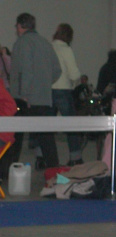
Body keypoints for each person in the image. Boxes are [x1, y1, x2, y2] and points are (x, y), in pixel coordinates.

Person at [10, 12, 62, 170]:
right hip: (44, 98)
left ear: (19, 26)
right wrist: (44, 84)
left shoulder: (22, 43)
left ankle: (8, 169)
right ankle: (54, 170)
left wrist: (24, 94)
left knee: (14, 135)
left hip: (26, 99)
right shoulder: (46, 43)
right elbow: (57, 70)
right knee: (46, 137)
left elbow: (25, 70)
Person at [51, 23, 83, 166]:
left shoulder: (49, 47)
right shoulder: (66, 49)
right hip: (63, 90)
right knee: (72, 126)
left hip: (47, 90)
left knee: (45, 126)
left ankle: (42, 157)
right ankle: (75, 157)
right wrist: (78, 81)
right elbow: (73, 73)